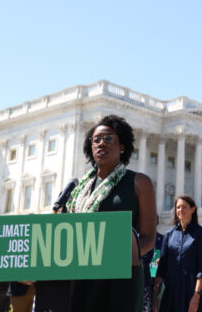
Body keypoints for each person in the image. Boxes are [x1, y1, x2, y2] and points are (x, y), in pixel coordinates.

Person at [66, 115, 157, 312]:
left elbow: (149, 237)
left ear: (122, 146)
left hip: (121, 278)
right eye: (96, 140)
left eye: (108, 139)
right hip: (81, 275)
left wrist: (118, 256)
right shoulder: (78, 189)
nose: (101, 144)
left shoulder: (139, 182)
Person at [152, 195, 202, 312]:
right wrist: (155, 295)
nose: (180, 210)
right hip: (171, 289)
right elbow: (162, 266)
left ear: (193, 209)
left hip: (192, 287)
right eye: (178, 207)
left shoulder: (201, 233)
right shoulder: (169, 234)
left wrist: (196, 295)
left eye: (184, 207)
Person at [142, 215, 164, 312]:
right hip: (145, 276)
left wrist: (162, 260)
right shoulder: (141, 238)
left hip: (157, 277)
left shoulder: (162, 239)